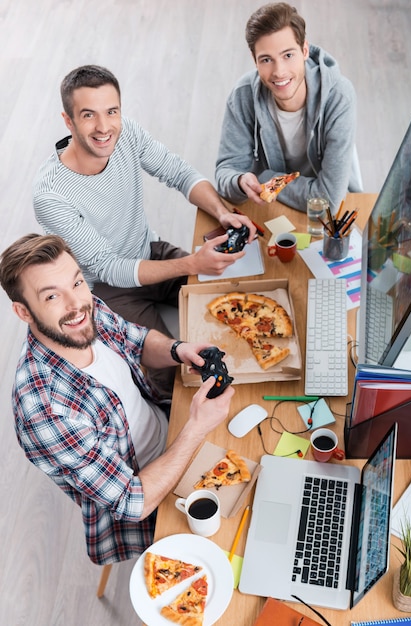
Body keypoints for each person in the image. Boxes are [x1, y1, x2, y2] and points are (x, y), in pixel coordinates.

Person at [0, 233, 235, 565]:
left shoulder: (85, 309)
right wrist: (196, 429)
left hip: (174, 426)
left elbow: (134, 339)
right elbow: (133, 502)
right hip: (152, 495)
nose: (76, 304)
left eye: (77, 282)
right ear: (23, 312)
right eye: (52, 296)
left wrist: (177, 350)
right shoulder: (43, 410)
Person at [33, 64, 256, 399]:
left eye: (112, 111)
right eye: (88, 115)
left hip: (149, 251)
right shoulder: (51, 195)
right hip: (109, 290)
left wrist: (223, 212)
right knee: (179, 371)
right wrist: (192, 264)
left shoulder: (127, 134)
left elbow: (179, 173)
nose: (104, 127)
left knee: (236, 300)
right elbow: (109, 266)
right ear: (68, 121)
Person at [215, 2, 363, 214]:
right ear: (254, 60)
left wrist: (266, 178)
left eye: (288, 55)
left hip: (327, 218)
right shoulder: (242, 96)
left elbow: (327, 200)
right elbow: (225, 172)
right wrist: (239, 180)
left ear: (304, 50)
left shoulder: (338, 96)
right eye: (266, 59)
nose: (279, 71)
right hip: (267, 206)